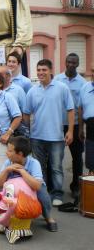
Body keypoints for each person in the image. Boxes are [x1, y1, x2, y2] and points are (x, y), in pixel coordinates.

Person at [24, 59, 74, 206]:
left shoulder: (62, 88)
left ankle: (57, 194)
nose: (41, 73)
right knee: (39, 168)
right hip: (37, 137)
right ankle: (43, 193)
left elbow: (70, 110)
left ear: (51, 71)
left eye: (44, 70)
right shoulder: (33, 91)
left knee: (56, 167)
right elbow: (26, 113)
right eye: (38, 70)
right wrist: (29, 130)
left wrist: (70, 131)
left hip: (57, 137)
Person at [0, 136, 58, 232]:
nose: (6, 152)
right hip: (13, 189)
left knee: (42, 193)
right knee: (3, 194)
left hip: (30, 189)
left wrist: (23, 172)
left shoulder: (34, 163)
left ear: (20, 154)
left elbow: (37, 185)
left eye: (10, 151)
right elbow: (0, 184)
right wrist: (7, 170)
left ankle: (48, 217)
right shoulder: (8, 163)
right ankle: (5, 221)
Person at [54, 53, 86, 196]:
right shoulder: (57, 79)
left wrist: (81, 128)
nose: (71, 65)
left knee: (77, 157)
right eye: (69, 62)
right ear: (65, 62)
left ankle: (76, 187)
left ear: (78, 64)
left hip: (76, 125)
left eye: (74, 63)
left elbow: (83, 106)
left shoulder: (83, 83)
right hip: (58, 125)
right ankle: (54, 186)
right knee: (55, 157)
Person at [78, 64, 94, 175]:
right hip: (90, 128)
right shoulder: (85, 87)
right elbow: (80, 108)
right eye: (93, 71)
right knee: (91, 163)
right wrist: (80, 129)